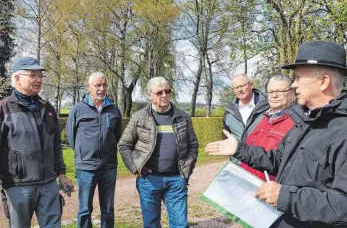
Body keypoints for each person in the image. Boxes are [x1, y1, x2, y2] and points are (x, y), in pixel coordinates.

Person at [205, 41, 347, 227]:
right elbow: (278, 160)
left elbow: (342, 204)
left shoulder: (342, 130)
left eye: (298, 78)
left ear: (323, 82)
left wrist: (286, 197)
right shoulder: (306, 121)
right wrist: (239, 149)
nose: (293, 85)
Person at [0, 57, 74, 228]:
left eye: (40, 75)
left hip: (48, 184)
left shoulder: (47, 108)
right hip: (18, 186)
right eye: (33, 75)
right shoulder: (4, 109)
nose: (39, 79)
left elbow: (56, 144)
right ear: (17, 78)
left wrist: (61, 175)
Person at [119, 76, 199, 228]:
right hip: (149, 180)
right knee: (151, 224)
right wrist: (136, 167)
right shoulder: (139, 117)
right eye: (159, 92)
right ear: (149, 94)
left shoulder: (183, 117)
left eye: (167, 91)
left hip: (176, 180)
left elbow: (193, 145)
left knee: (180, 224)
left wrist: (186, 171)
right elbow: (124, 144)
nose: (164, 95)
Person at [66, 72, 122, 228]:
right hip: (86, 168)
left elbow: (117, 136)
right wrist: (84, 153)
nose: (102, 88)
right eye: (98, 85)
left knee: (108, 209)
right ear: (89, 87)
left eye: (104, 85)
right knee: (84, 209)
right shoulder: (78, 109)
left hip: (109, 166)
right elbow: (71, 137)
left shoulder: (114, 110)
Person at [241, 75, 295, 181]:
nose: (274, 95)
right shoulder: (263, 118)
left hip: (268, 190)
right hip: (247, 183)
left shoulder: (296, 122)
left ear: (292, 93)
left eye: (280, 91)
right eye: (270, 92)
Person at [223, 74, 267, 141]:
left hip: (262, 151)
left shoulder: (267, 107)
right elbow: (226, 138)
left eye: (242, 86)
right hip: (238, 151)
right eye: (236, 87)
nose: (240, 90)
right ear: (233, 90)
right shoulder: (229, 112)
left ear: (251, 85)